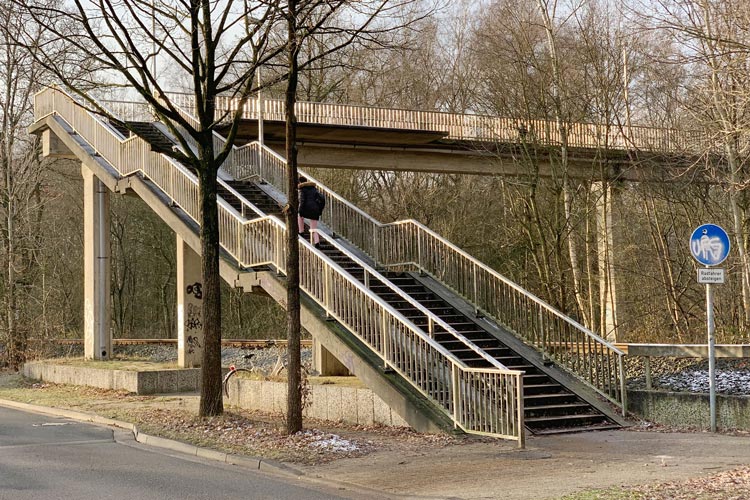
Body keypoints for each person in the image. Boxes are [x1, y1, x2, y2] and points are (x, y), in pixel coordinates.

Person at [297, 176, 325, 247]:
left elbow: (302, 200)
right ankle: (317, 242)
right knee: (313, 228)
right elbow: (322, 199)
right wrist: (320, 209)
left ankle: (301, 232)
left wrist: (300, 210)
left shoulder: (302, 189)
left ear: (299, 182)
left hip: (307, 208)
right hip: (315, 210)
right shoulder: (314, 189)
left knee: (300, 216)